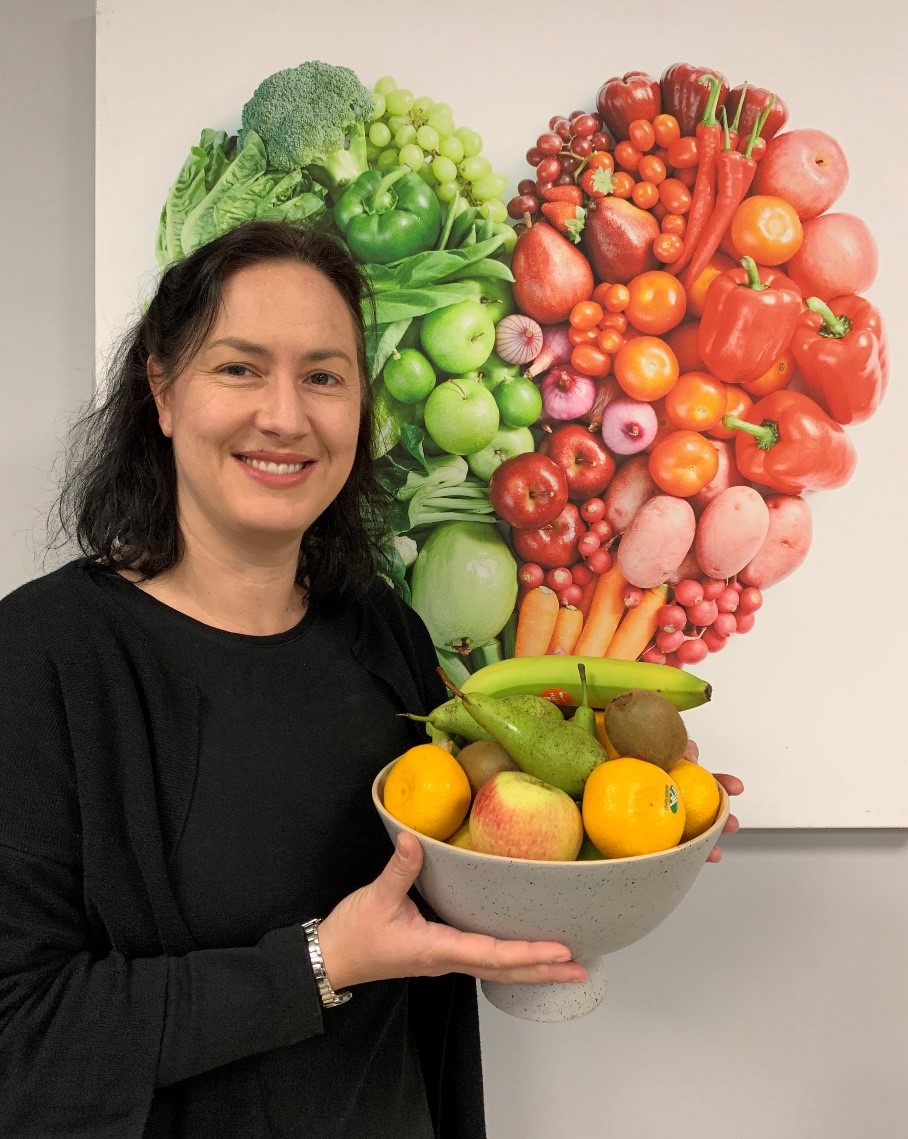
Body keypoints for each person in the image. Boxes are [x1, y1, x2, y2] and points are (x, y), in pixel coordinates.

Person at [0, 219, 741, 1139]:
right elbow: (19, 1036)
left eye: (323, 376)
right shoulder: (41, 655)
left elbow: (444, 877)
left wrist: (626, 826)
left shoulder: (379, 627)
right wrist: (318, 964)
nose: (285, 415)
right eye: (239, 368)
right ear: (161, 388)